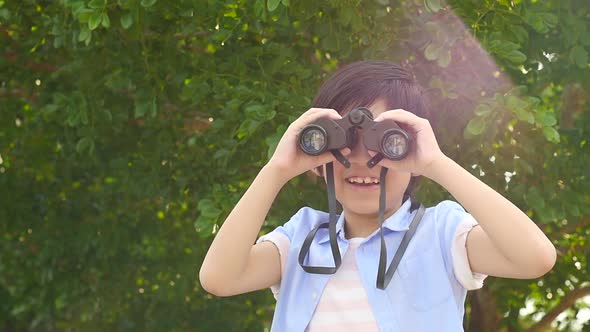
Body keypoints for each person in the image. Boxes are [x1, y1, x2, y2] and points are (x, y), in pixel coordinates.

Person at [199, 60, 556, 331]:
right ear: (319, 154)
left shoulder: (441, 233)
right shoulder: (303, 237)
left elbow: (534, 258)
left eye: (387, 142)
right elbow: (219, 279)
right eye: (343, 141)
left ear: (413, 151)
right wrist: (277, 169)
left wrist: (436, 162)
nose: (362, 160)